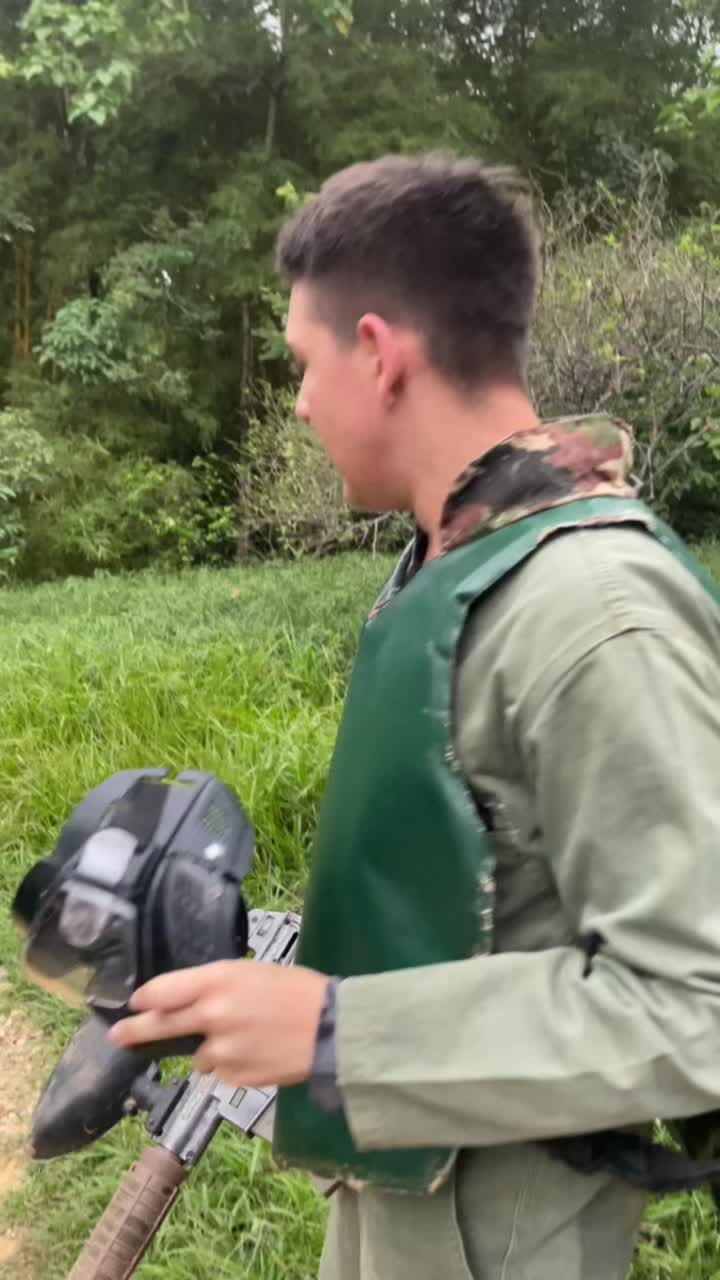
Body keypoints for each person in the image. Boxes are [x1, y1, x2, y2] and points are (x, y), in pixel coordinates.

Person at [110, 153, 720, 1280]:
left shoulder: (594, 609)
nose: (299, 402)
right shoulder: (465, 555)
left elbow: (697, 1004)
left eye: (304, 363)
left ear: (379, 352)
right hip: (409, 1213)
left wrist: (334, 1032)